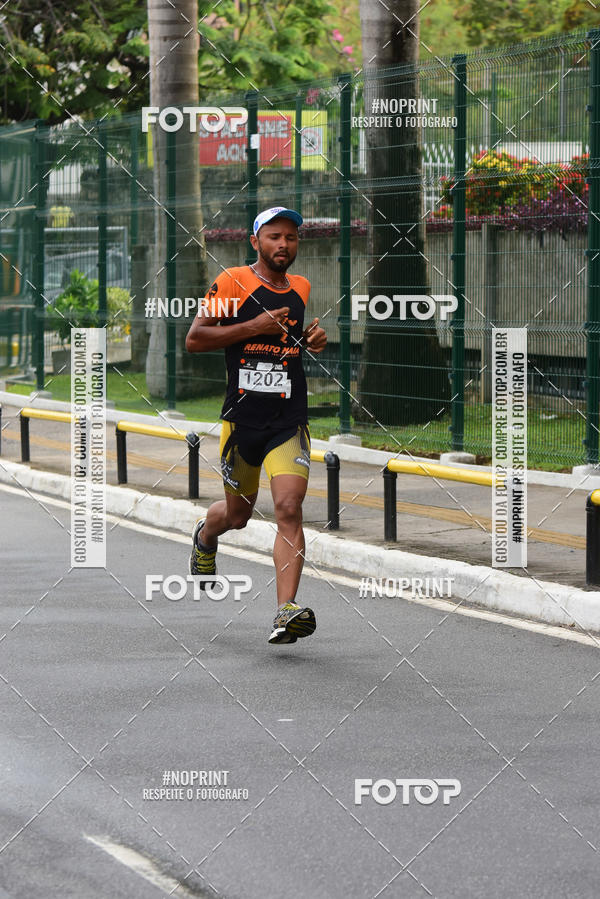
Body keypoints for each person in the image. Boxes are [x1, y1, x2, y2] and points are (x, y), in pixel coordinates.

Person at [185, 207, 327, 644]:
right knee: (237, 515)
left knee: (288, 507)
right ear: (255, 242)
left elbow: (290, 341)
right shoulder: (231, 282)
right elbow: (195, 339)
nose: (283, 245)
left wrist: (311, 341)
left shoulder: (300, 287)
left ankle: (285, 611)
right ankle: (206, 535)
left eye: (291, 237)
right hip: (242, 420)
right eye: (274, 237)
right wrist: (252, 325)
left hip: (288, 418)